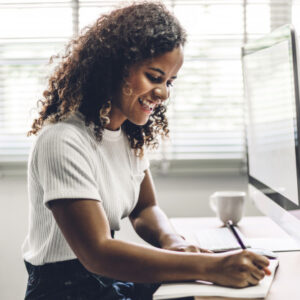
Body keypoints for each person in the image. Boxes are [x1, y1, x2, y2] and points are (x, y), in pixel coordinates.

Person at [22, 1, 271, 299]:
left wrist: (173, 242)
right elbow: (97, 253)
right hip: (65, 289)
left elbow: (145, 209)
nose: (163, 93)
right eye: (154, 77)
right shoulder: (63, 139)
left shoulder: (128, 134)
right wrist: (208, 266)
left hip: (104, 278)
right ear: (113, 68)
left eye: (169, 81)